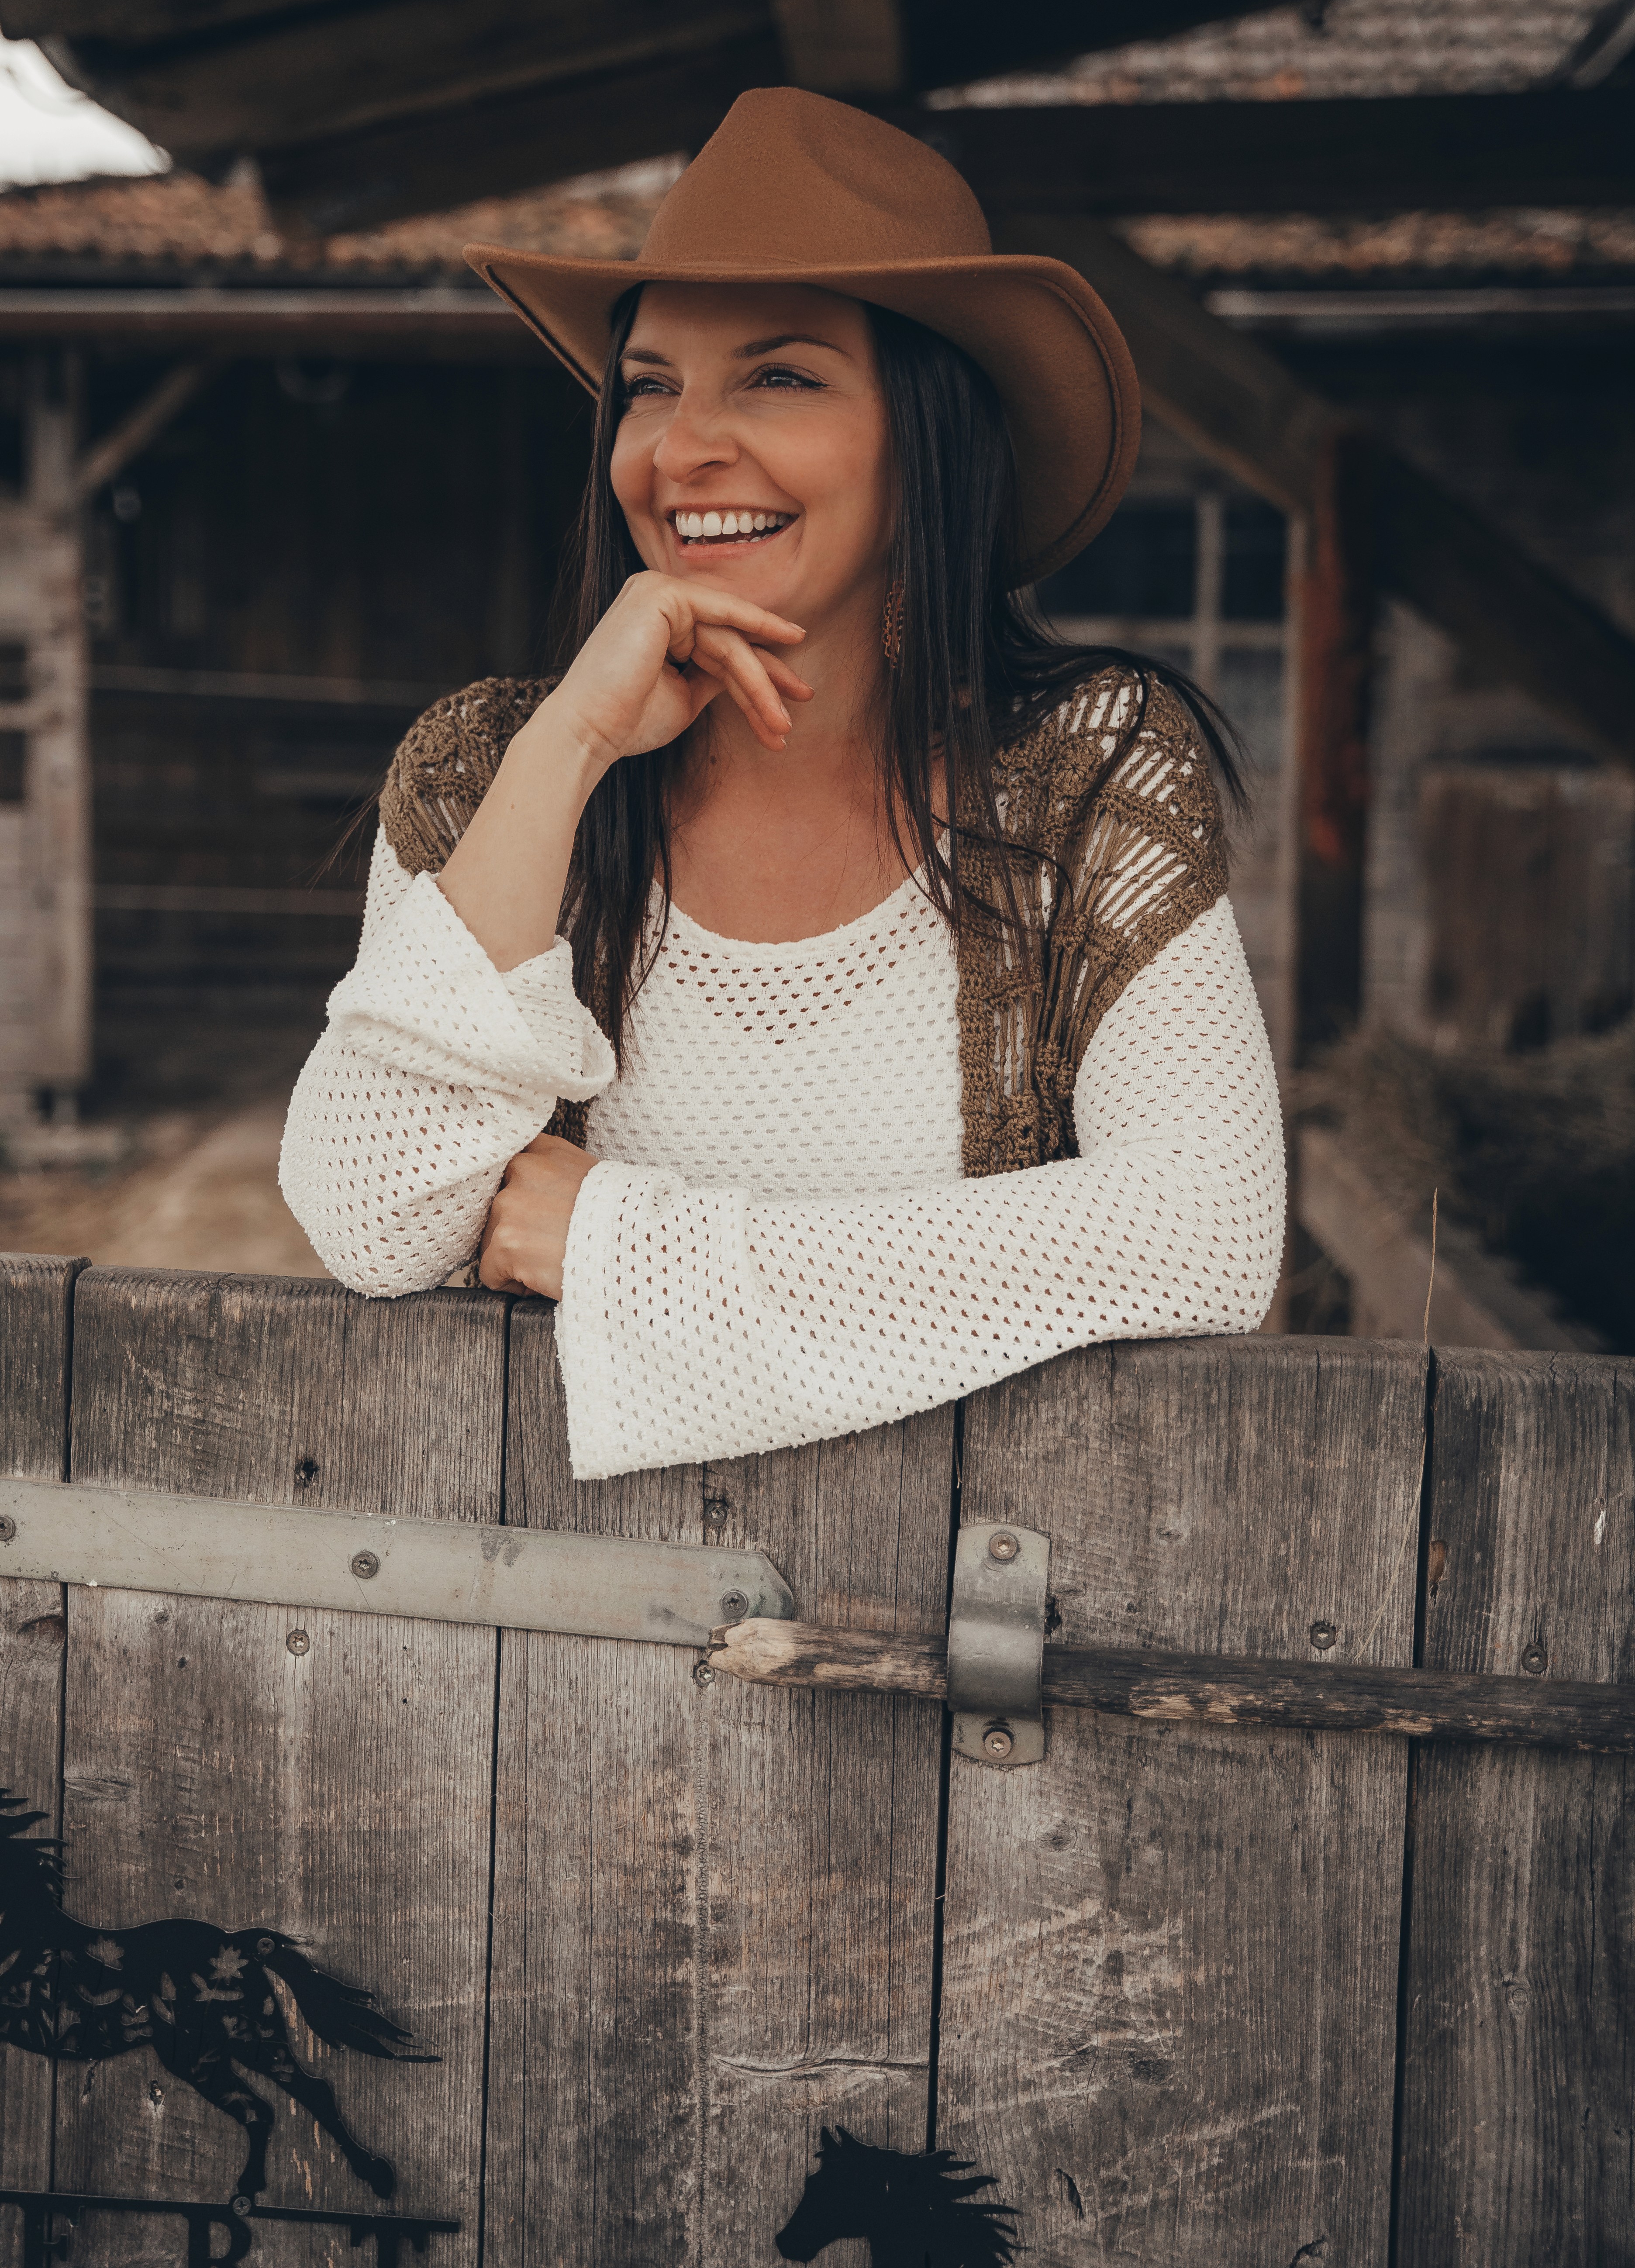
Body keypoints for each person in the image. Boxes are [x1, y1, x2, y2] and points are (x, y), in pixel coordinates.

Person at [280, 90, 1285, 1479]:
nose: (682, 447)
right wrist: (568, 745)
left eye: (781, 376)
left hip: (959, 1632)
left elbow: (1206, 1236)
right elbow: (371, 1221)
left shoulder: (1089, 774)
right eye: (649, 385)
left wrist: (621, 1244)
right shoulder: (486, 773)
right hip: (570, 1639)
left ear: (925, 434)